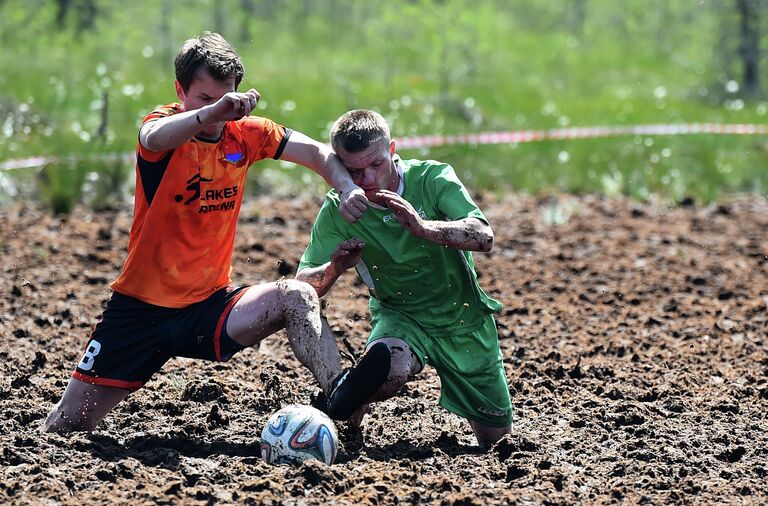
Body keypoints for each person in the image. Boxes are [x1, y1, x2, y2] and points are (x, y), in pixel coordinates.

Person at [43, 32, 370, 433]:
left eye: (225, 98)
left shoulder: (246, 133)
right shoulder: (164, 126)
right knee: (67, 427)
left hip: (210, 306)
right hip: (140, 310)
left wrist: (348, 187)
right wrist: (209, 114)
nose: (218, 111)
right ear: (180, 91)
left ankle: (341, 401)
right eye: (204, 98)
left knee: (297, 295)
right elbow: (151, 138)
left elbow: (319, 154)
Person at [296, 109, 513, 448]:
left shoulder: (432, 178)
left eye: (376, 165)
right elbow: (304, 287)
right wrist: (336, 267)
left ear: (392, 150)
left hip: (463, 317)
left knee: (496, 442)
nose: (366, 178)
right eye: (354, 171)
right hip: (401, 315)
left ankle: (349, 395)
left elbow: (483, 236)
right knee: (388, 369)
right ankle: (348, 406)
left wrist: (425, 228)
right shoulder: (339, 208)